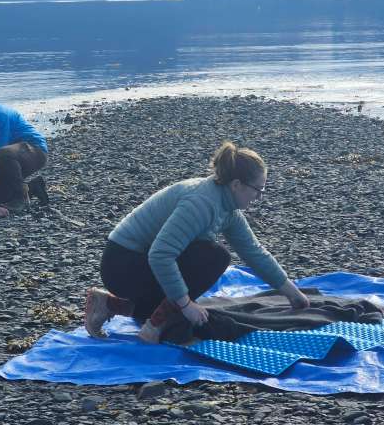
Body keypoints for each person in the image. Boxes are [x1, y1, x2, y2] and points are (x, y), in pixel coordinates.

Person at [84, 141, 310, 344]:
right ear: (237, 184)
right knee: (213, 257)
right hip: (122, 265)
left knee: (188, 300)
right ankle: (156, 324)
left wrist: (292, 292)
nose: (259, 197)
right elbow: (160, 254)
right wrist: (185, 304)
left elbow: (254, 252)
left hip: (138, 263)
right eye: (258, 190)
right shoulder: (202, 203)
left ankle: (108, 304)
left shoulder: (226, 205)